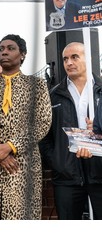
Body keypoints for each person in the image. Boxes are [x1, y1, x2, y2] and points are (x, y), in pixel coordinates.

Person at [0, 34, 52, 220]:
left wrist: (10, 147)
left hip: (22, 165)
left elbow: (42, 122)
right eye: (1, 48)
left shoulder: (36, 85)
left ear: (23, 55)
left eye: (10, 48)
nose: (4, 52)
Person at [39, 42, 102, 220]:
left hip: (100, 173)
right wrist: (57, 161)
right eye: (65, 59)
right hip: (67, 177)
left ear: (88, 58)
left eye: (75, 57)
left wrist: (97, 132)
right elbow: (43, 136)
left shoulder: (100, 90)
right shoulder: (52, 95)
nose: (69, 63)